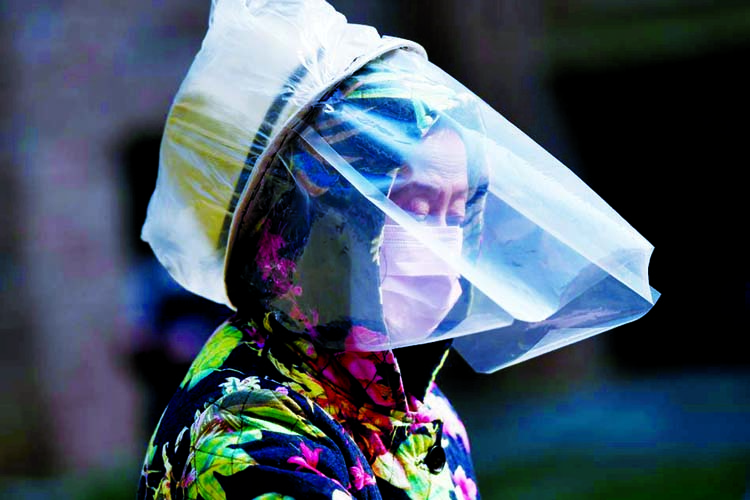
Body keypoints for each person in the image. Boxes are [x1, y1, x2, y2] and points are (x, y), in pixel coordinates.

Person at [138, 1, 657, 499]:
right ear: (316, 227)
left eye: (458, 212)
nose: (446, 244)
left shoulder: (423, 409)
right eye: (414, 207)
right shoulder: (248, 436)